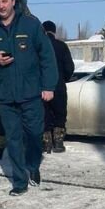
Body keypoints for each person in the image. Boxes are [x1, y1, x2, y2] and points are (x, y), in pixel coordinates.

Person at [0, 0, 58, 196]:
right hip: (6, 95)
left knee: (34, 134)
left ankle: (33, 166)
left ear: (13, 1)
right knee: (13, 138)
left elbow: (47, 56)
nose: (1, 6)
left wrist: (48, 86)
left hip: (31, 93)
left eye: (4, 1)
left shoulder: (30, 24)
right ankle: (20, 181)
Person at [41, 20, 75, 154]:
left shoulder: (39, 46)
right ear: (54, 31)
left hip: (42, 86)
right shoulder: (62, 46)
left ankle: (46, 142)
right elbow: (69, 67)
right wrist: (63, 79)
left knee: (44, 114)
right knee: (60, 113)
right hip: (59, 85)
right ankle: (59, 142)